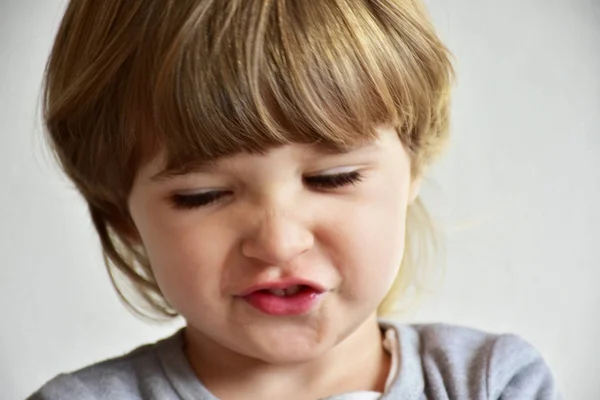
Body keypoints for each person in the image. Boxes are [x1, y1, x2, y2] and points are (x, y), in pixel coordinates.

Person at [28, 0, 561, 399]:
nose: (279, 242)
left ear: (413, 166)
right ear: (121, 214)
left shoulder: (491, 383)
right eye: (202, 195)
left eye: (333, 179)